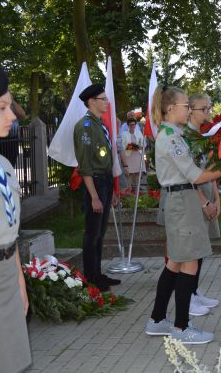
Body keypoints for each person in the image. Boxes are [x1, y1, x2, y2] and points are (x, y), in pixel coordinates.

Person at [144, 85, 221, 344]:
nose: (189, 109)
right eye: (185, 106)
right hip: (182, 201)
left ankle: (157, 320)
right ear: (171, 109)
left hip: (183, 199)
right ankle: (182, 328)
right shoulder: (170, 137)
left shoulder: (174, 133)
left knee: (176, 263)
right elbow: (195, 176)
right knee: (189, 261)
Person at [0, 66, 32, 372]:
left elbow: (7, 229)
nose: (11, 115)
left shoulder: (0, 163)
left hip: (7, 277)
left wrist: (19, 278)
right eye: (1, 108)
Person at [73, 83, 121, 291]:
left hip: (105, 182)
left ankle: (98, 274)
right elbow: (84, 166)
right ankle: (90, 277)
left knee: (100, 233)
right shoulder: (85, 127)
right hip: (95, 183)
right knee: (92, 233)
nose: (107, 102)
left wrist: (111, 190)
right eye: (104, 99)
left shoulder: (100, 124)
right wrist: (94, 196)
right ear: (91, 102)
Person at [187, 93, 221, 315]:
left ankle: (194, 291)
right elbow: (188, 176)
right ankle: (187, 296)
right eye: (204, 109)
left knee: (201, 249)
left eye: (209, 108)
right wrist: (204, 202)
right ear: (190, 110)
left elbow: (211, 169)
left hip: (207, 194)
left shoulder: (204, 135)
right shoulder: (186, 137)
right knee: (191, 250)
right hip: (193, 198)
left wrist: (217, 198)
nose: (208, 113)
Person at [121, 117, 144, 190]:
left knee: (138, 173)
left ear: (135, 125)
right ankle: (129, 189)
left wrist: (140, 146)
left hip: (138, 155)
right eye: (130, 125)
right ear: (128, 125)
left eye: (133, 124)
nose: (132, 126)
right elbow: (123, 146)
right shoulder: (124, 134)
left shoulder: (139, 132)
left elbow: (144, 143)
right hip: (129, 156)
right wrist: (131, 146)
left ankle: (138, 190)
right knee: (129, 174)